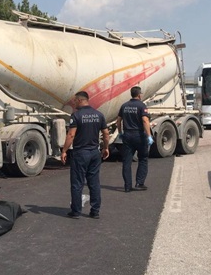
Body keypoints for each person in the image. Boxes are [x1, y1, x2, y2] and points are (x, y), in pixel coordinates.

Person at [61, 91, 110, 219]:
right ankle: (95, 211)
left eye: (75, 100)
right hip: (94, 153)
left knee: (77, 183)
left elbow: (71, 135)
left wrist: (64, 150)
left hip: (80, 153)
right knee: (94, 182)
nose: (73, 102)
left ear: (79, 100)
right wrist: (106, 148)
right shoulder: (99, 115)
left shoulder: (76, 116)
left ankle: (76, 211)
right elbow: (106, 134)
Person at [116, 86, 153, 193]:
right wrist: (149, 135)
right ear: (139, 95)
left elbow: (118, 121)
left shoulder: (124, 106)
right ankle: (139, 183)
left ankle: (127, 186)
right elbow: (145, 121)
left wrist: (120, 133)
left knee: (127, 162)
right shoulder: (142, 106)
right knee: (143, 159)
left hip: (127, 135)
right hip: (139, 136)